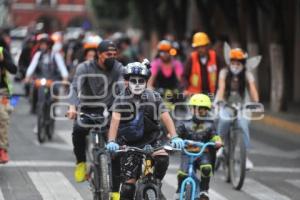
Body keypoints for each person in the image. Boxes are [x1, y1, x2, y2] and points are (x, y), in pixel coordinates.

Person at [106, 60, 184, 200]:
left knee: (162, 157)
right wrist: (112, 141)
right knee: (128, 186)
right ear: (127, 82)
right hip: (129, 143)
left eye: (141, 81)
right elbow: (114, 122)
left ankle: (156, 182)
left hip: (152, 140)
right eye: (133, 80)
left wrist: (174, 136)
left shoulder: (154, 97)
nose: (137, 84)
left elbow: (166, 117)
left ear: (146, 81)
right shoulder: (121, 99)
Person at [66, 40, 123, 199]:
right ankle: (81, 163)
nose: (111, 57)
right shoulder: (84, 67)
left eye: (114, 55)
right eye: (108, 54)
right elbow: (75, 87)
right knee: (78, 130)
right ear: (99, 54)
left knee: (116, 149)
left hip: (110, 110)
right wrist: (72, 107)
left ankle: (116, 192)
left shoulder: (118, 68)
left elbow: (123, 86)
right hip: (88, 109)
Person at [214, 48, 259, 169]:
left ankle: (245, 157)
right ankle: (219, 147)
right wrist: (218, 101)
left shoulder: (247, 74)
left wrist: (256, 102)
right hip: (225, 103)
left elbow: (253, 89)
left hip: (242, 105)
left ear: (243, 64)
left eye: (238, 63)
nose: (235, 65)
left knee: (243, 125)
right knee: (224, 120)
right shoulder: (224, 72)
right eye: (233, 62)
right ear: (229, 63)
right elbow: (221, 87)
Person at [175, 94, 222, 200]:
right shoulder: (184, 123)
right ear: (191, 109)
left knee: (206, 168)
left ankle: (204, 190)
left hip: (203, 153)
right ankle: (179, 190)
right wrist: (174, 137)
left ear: (207, 111)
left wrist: (217, 141)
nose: (200, 112)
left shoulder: (210, 125)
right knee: (182, 173)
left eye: (203, 109)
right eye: (197, 108)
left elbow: (214, 135)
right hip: (187, 153)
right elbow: (177, 133)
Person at [24, 33, 69, 113]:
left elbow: (62, 68)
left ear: (49, 45)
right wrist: (27, 76)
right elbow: (32, 66)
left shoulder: (56, 55)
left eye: (44, 44)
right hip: (40, 78)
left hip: (53, 79)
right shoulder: (38, 55)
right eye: (41, 44)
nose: (42, 46)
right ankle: (34, 106)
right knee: (33, 88)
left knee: (55, 89)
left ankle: (55, 106)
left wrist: (65, 78)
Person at [183, 32, 220, 97]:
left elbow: (221, 74)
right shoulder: (191, 58)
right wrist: (186, 89)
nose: (200, 49)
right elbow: (184, 76)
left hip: (212, 94)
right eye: (198, 47)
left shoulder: (215, 56)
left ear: (207, 46)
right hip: (195, 96)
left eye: (202, 47)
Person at [0, 36, 18, 163]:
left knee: (3, 116)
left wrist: (3, 61)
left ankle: (2, 149)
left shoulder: (2, 51)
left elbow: (13, 70)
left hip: (3, 92)